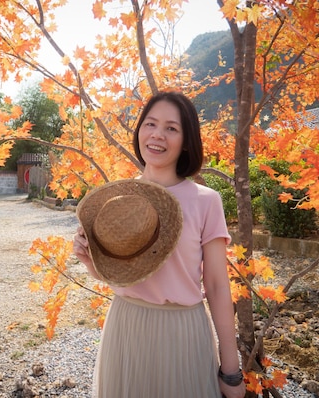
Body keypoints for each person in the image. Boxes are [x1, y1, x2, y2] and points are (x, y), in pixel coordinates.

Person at [73, 91, 246, 398]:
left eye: (171, 128)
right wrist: (92, 263)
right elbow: (122, 276)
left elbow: (218, 285)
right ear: (139, 130)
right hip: (126, 329)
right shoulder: (118, 201)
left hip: (184, 332)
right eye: (150, 124)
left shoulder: (206, 202)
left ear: (187, 140)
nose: (157, 135)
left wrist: (231, 370)